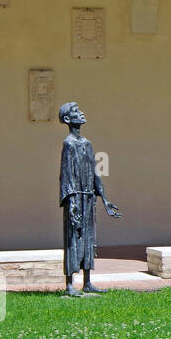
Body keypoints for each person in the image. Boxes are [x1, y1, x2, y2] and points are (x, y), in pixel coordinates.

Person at [58, 102, 121, 296]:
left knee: (88, 239)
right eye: (76, 111)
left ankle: (87, 281)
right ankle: (70, 284)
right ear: (68, 119)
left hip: (88, 199)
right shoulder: (69, 144)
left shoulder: (87, 144)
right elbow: (66, 174)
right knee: (73, 239)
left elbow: (96, 174)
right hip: (76, 200)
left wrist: (105, 199)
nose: (81, 113)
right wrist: (71, 202)